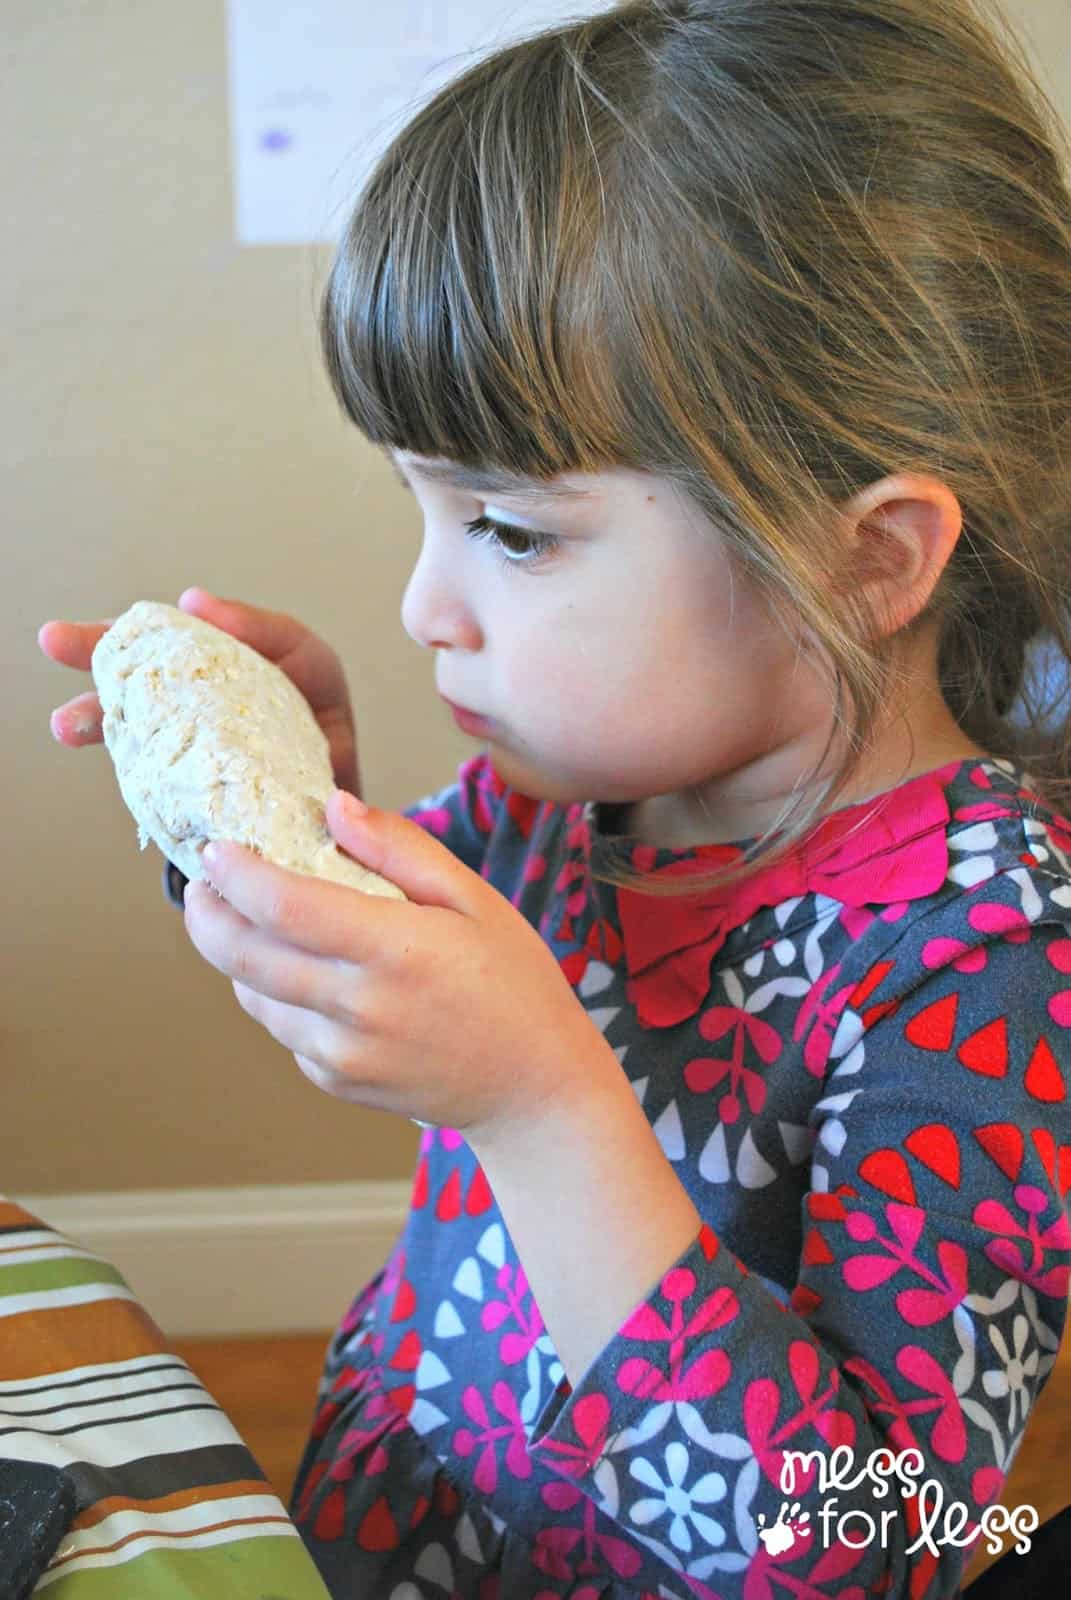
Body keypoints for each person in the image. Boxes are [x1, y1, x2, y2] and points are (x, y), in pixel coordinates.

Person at [37, 0, 1071, 1595]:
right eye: (421, 509)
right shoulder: (571, 797)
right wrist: (286, 821)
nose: (420, 609)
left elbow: (870, 1545)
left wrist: (544, 1107)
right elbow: (368, 994)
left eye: (511, 532)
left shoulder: (986, 957)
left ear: (866, 560)